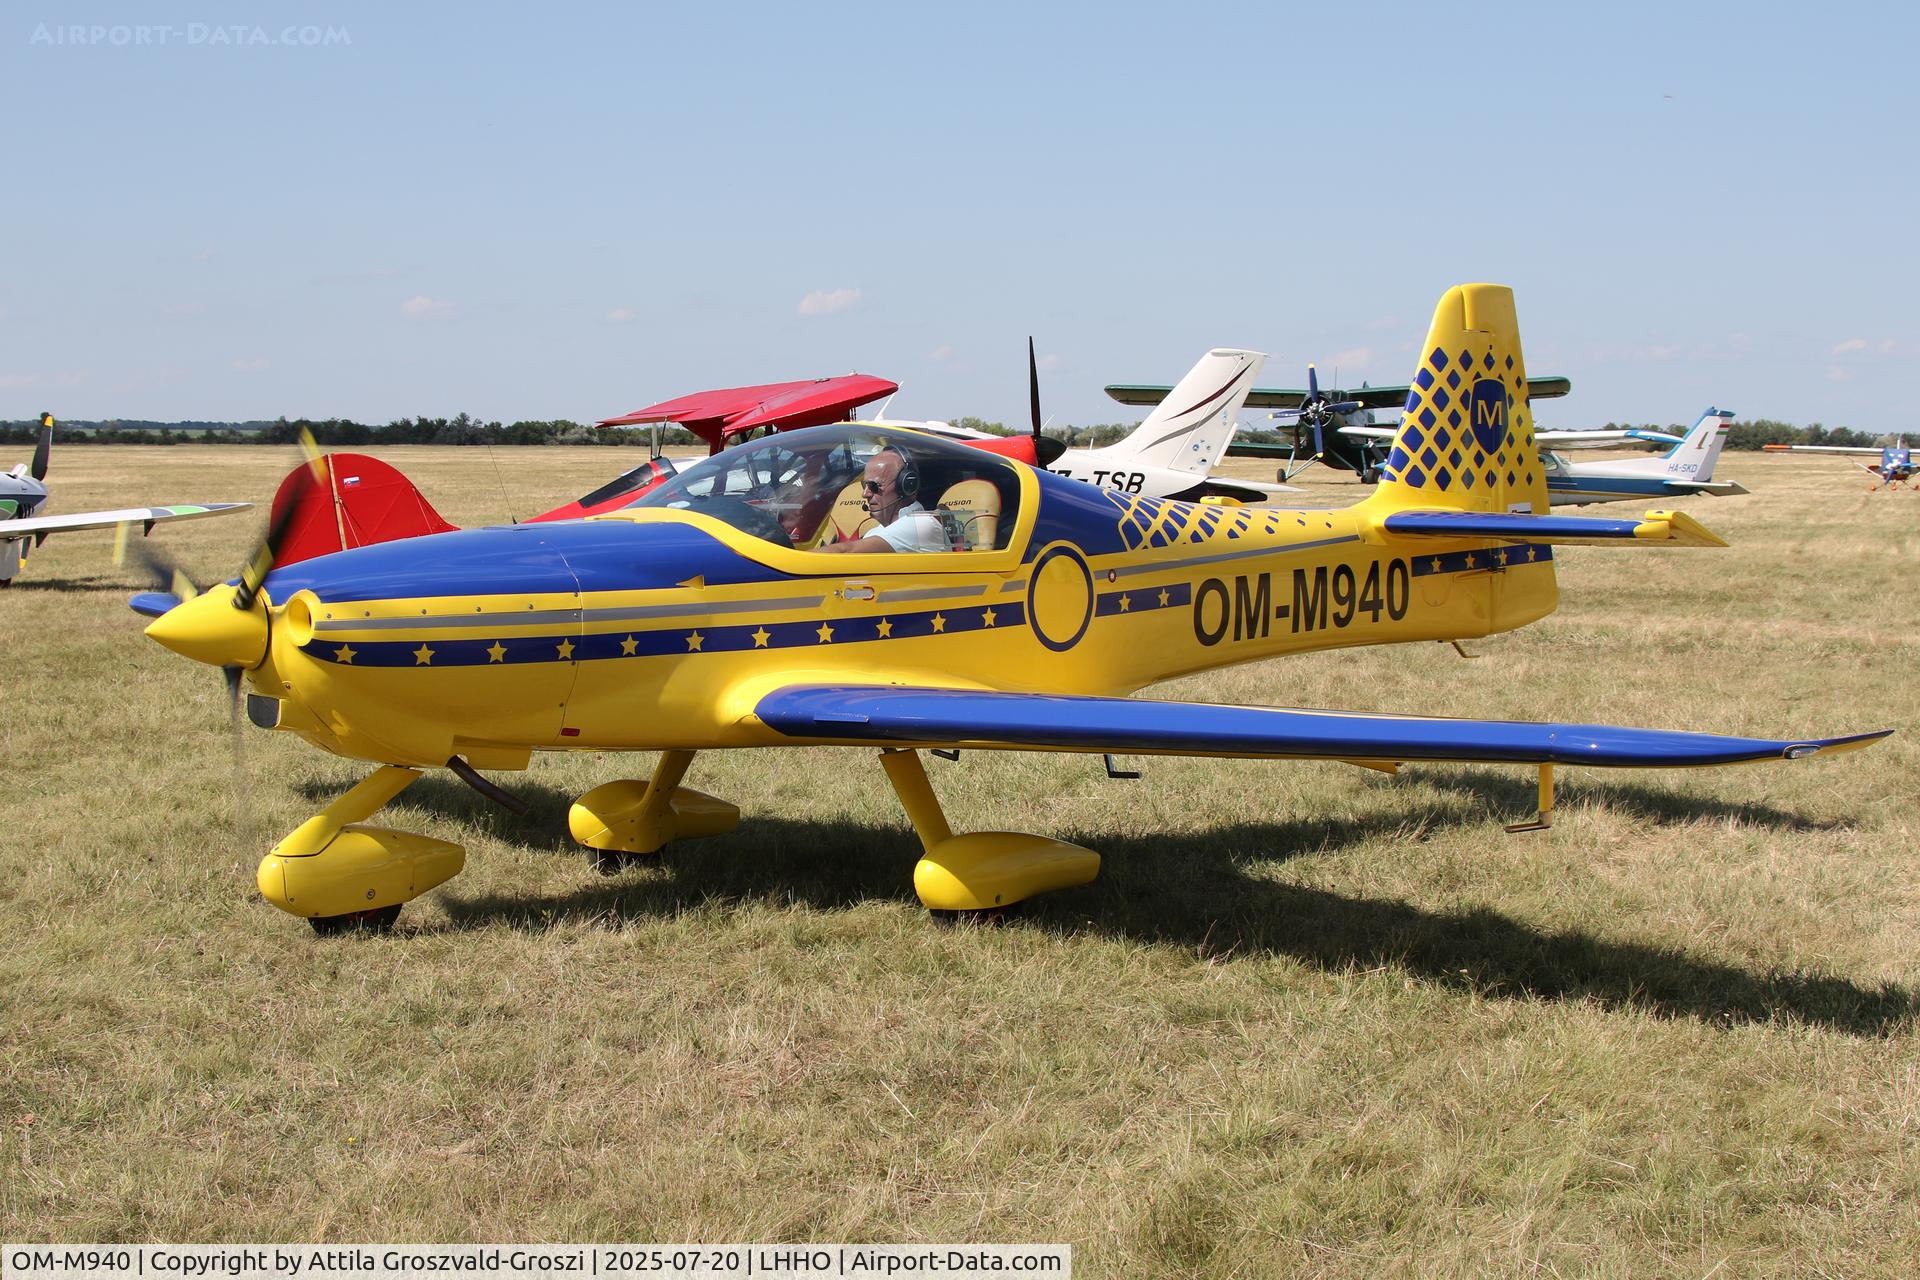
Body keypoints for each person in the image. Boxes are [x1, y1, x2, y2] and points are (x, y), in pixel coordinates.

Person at [818, 446, 950, 553]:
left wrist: (798, 560)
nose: (865, 494)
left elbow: (846, 551)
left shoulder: (921, 525)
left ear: (906, 486)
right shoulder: (876, 532)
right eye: (865, 485)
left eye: (874, 486)